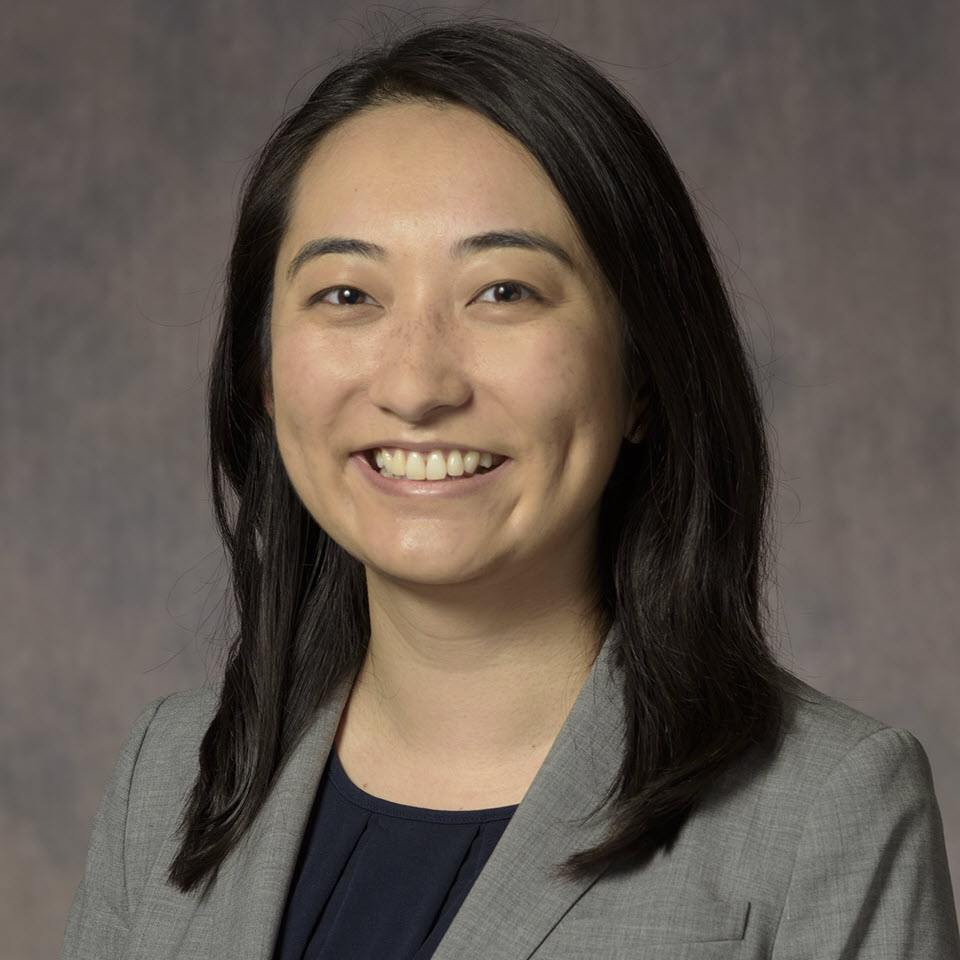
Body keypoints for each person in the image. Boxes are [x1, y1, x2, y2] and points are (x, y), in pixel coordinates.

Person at [61, 17, 959, 960]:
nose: (416, 386)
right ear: (264, 373)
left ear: (642, 376)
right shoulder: (166, 779)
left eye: (504, 293)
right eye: (346, 296)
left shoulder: (823, 811)